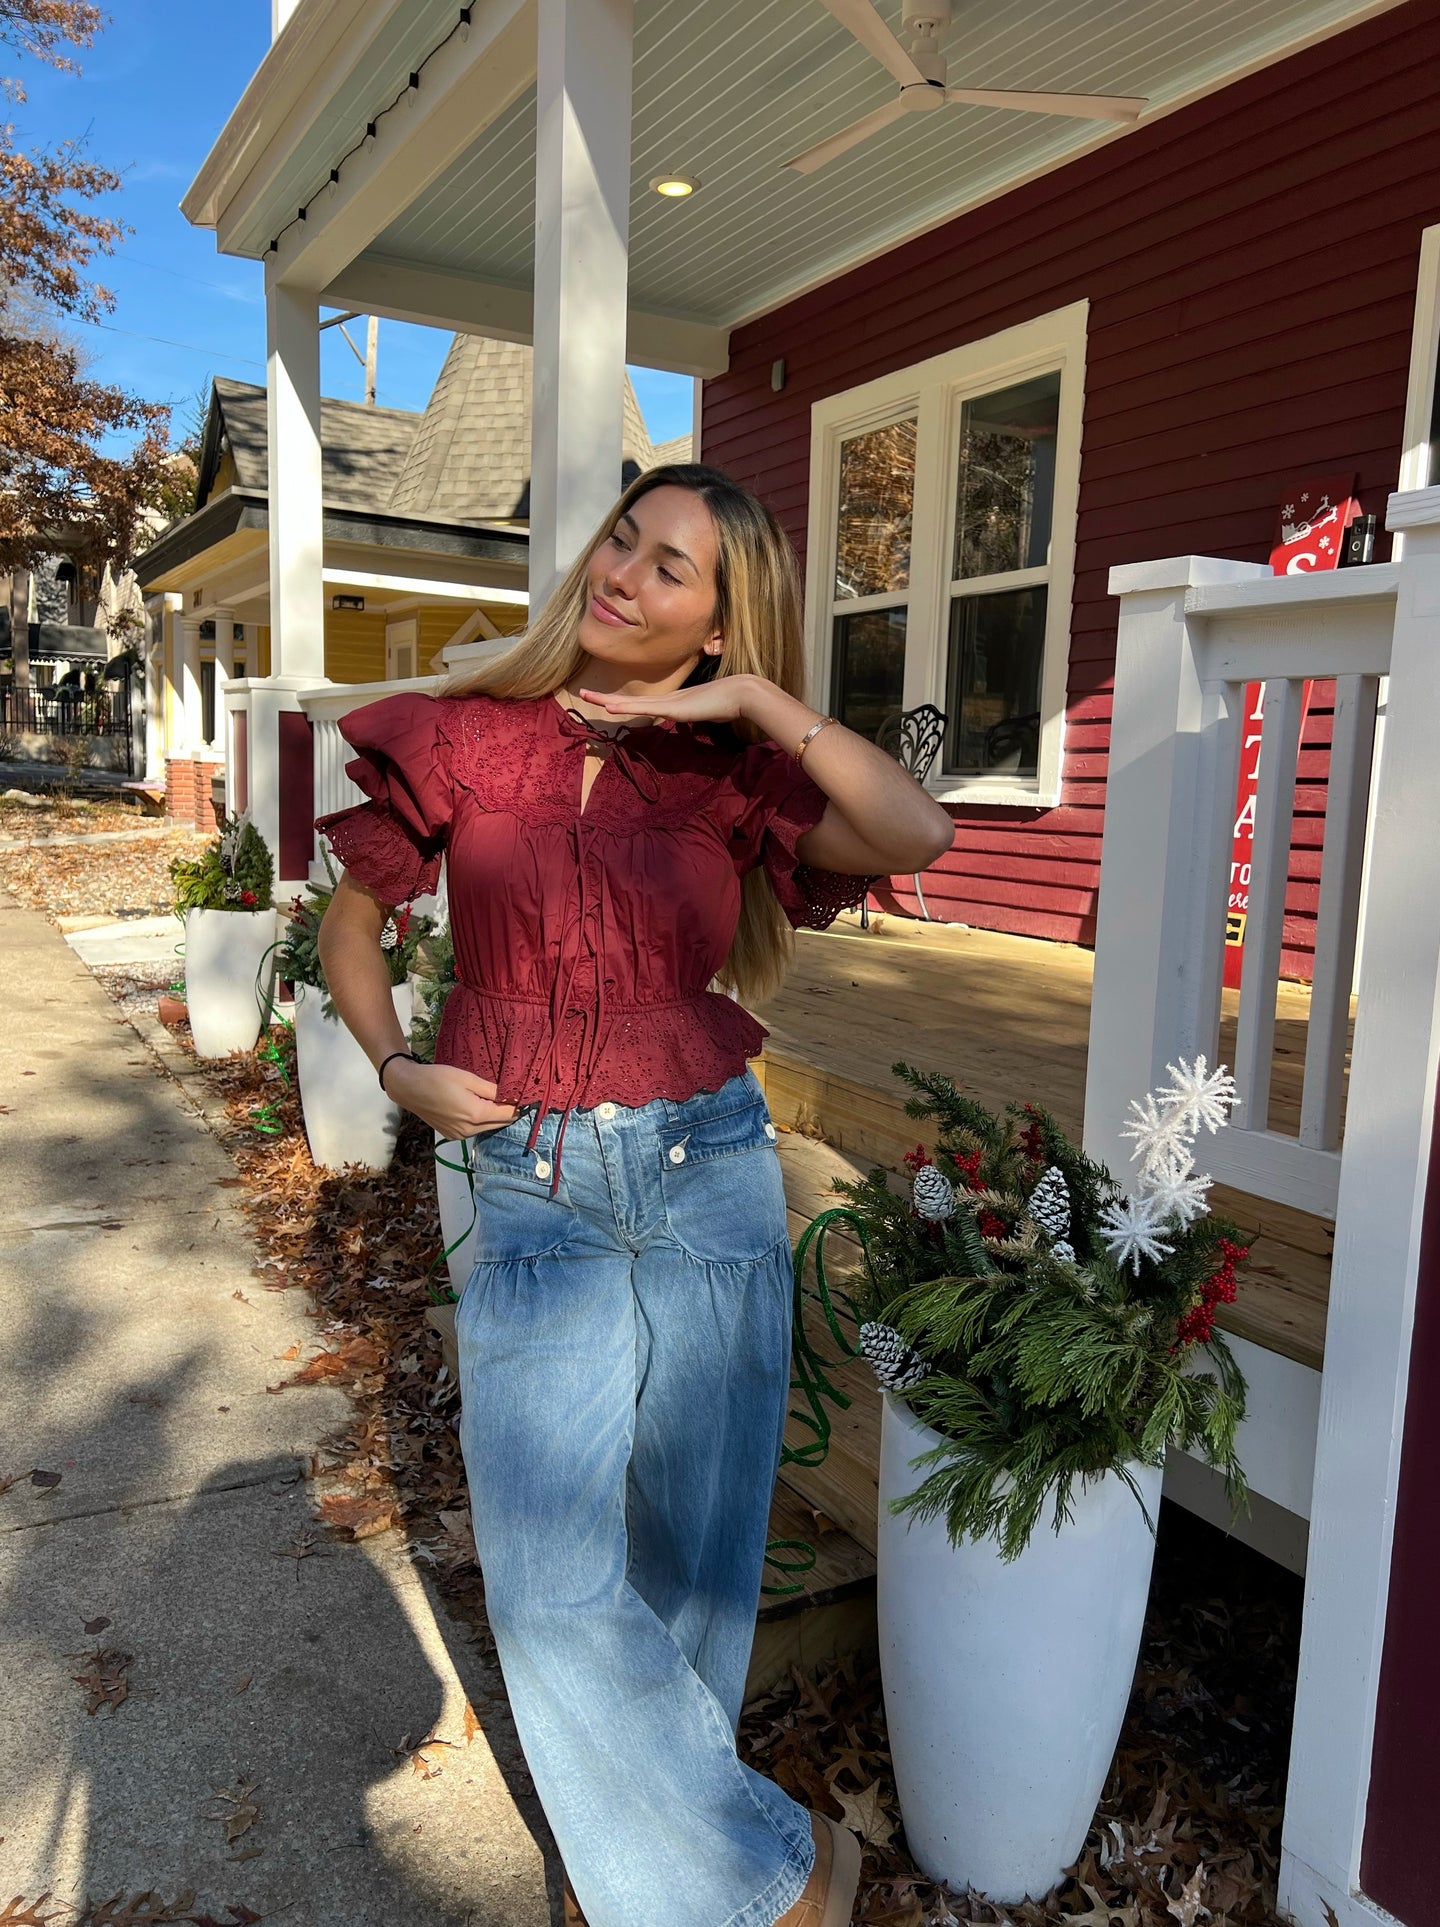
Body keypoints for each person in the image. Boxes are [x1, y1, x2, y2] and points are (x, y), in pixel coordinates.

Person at [316, 464, 954, 1927]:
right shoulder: (465, 734)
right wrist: (397, 1064)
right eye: (622, 540)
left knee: (700, 1546)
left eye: (670, 567)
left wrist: (754, 710)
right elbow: (352, 925)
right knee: (547, 1578)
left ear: (721, 621)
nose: (621, 574)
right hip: (527, 1177)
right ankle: (766, 1876)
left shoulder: (734, 770)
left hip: (704, 1163)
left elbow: (913, 833)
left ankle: (632, 1880)